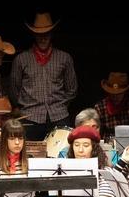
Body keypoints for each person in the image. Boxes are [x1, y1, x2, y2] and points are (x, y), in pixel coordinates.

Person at [8, 13, 77, 141]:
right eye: (39, 34)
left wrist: (60, 104)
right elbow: (14, 89)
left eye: (46, 34)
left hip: (59, 117)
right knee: (29, 158)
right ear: (34, 35)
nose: (43, 38)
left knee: (60, 157)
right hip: (29, 117)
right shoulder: (21, 59)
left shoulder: (65, 58)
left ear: (52, 34)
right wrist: (24, 105)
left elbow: (72, 89)